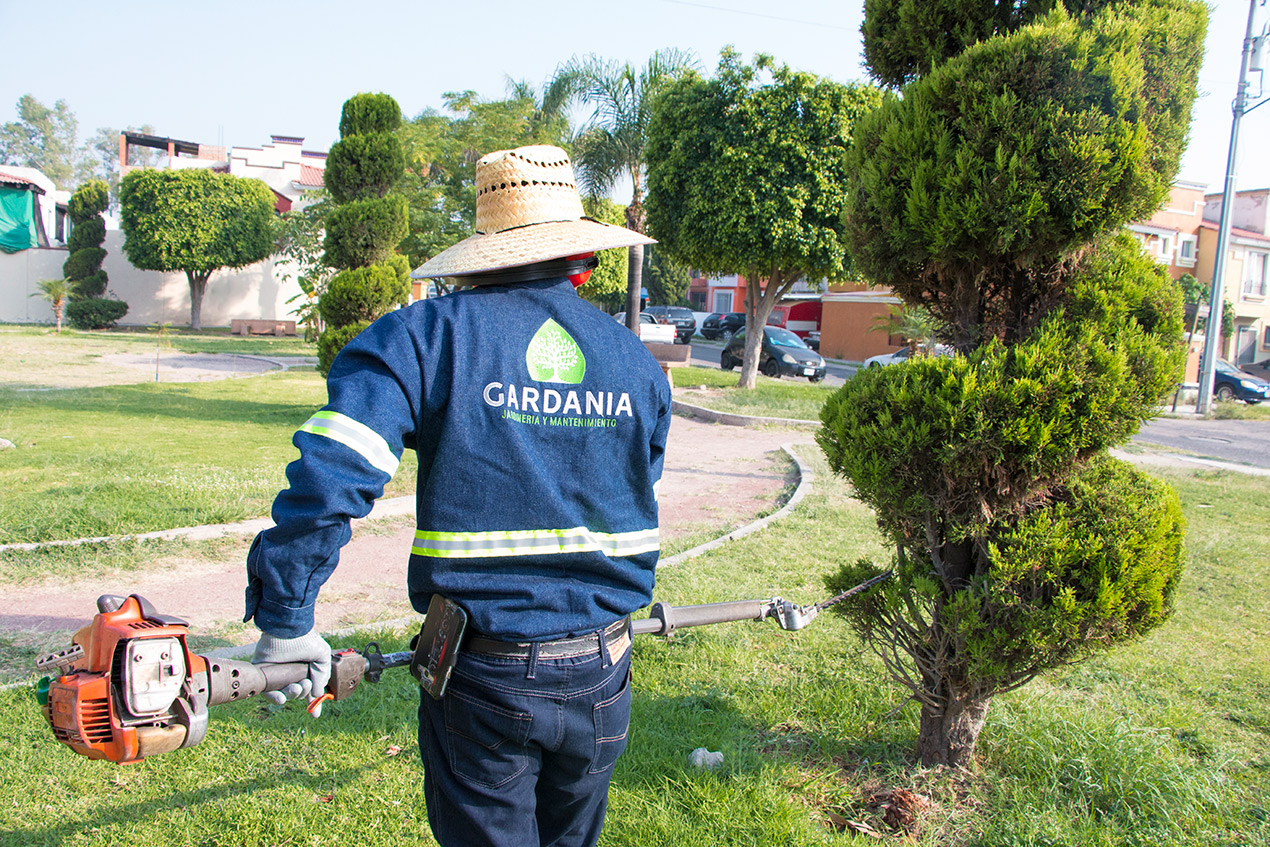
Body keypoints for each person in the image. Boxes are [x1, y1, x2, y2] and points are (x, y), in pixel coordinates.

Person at [244, 144, 671, 847]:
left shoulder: (424, 339)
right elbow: (635, 488)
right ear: (580, 261)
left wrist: (288, 614)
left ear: (479, 253)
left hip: (487, 676)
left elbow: (335, 469)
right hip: (606, 672)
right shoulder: (635, 361)